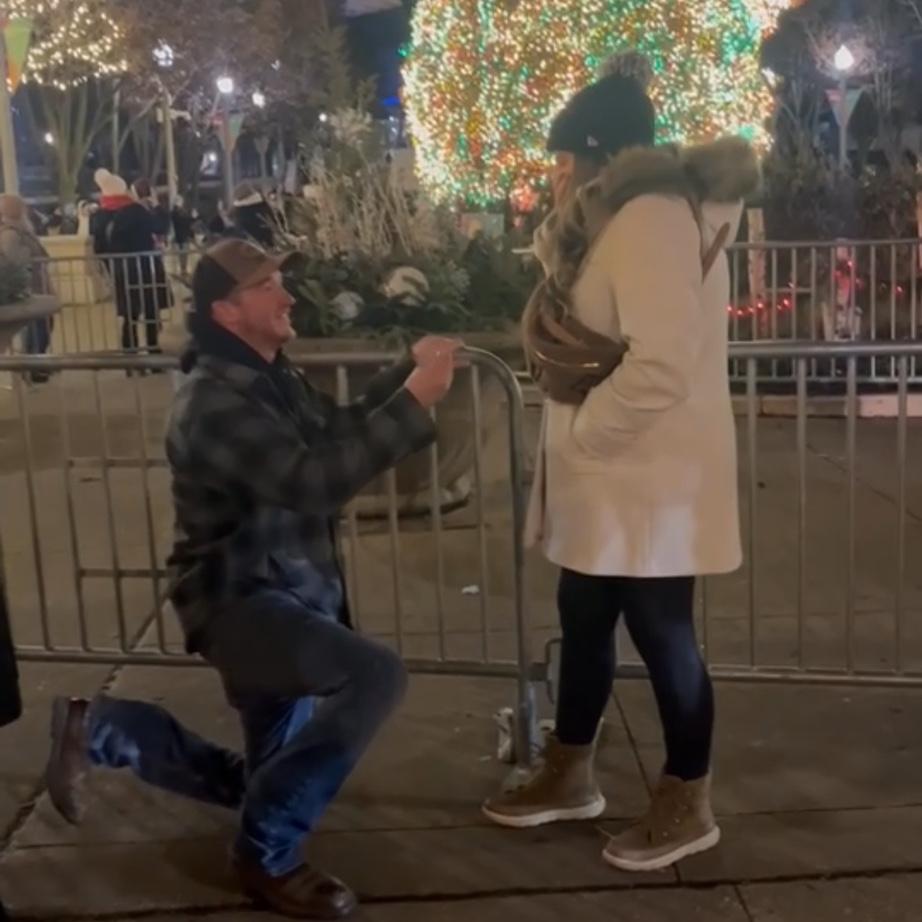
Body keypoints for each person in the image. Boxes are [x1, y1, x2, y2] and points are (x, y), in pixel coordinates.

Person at [43, 238, 462, 919]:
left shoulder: (269, 375)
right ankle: (267, 856)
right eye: (267, 286)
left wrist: (404, 376)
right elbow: (312, 480)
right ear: (226, 311)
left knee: (268, 780)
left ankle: (104, 730)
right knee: (374, 676)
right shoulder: (211, 402)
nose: (287, 295)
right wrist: (415, 401)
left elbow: (337, 429)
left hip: (290, 594)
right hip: (241, 602)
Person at [482, 53, 758, 873]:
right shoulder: (621, 216)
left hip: (645, 475)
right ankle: (570, 770)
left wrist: (590, 436)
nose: (556, 173)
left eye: (566, 158)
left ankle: (687, 799)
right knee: (584, 614)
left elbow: (663, 360)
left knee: (663, 632)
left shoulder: (650, 220)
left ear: (600, 155)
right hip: (620, 478)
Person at [91, 169, 172, 353]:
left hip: (122, 269)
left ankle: (130, 352)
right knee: (151, 313)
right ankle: (153, 349)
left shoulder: (101, 216)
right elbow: (160, 227)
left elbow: (100, 246)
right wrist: (157, 207)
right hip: (145, 267)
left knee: (130, 316)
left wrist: (110, 268)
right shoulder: (137, 211)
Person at [0, 194, 55, 378]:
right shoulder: (11, 233)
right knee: (38, 327)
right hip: (26, 285)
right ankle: (33, 366)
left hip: (34, 282)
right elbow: (12, 260)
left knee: (42, 326)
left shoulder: (19, 230)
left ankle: (35, 364)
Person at [229, 182, 276, 248]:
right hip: (269, 244)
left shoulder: (239, 212)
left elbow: (240, 232)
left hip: (248, 247)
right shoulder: (264, 205)